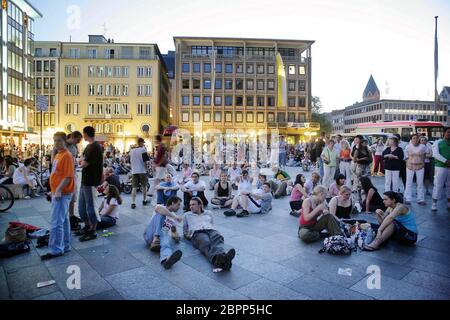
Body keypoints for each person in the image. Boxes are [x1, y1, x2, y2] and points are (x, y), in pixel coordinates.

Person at [41, 132, 75, 260]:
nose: (56, 143)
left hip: (62, 193)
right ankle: (65, 245)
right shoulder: (58, 155)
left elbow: (68, 176)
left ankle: (56, 249)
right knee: (64, 221)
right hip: (59, 192)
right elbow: (57, 174)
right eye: (55, 141)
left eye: (59, 141)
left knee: (56, 222)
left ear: (65, 141)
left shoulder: (66, 155)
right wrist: (54, 189)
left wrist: (59, 189)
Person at [183, 197, 236, 272]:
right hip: (197, 232)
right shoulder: (187, 215)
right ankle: (222, 259)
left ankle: (221, 260)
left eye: (193, 204)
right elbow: (185, 229)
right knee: (206, 242)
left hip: (211, 230)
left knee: (218, 237)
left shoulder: (209, 213)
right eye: (190, 205)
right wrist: (189, 236)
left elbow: (211, 223)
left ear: (200, 205)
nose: (191, 207)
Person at [76, 126, 104, 242]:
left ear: (86, 134)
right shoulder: (90, 146)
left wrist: (81, 161)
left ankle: (93, 230)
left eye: (83, 134)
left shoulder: (94, 147)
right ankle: (87, 226)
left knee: (91, 206)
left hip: (91, 180)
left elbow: (84, 163)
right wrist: (81, 160)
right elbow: (82, 160)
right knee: (81, 206)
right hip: (86, 180)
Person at [143, 196, 183, 269]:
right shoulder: (160, 207)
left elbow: (174, 232)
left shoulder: (173, 216)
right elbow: (161, 211)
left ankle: (166, 260)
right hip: (150, 234)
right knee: (162, 216)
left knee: (165, 237)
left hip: (160, 238)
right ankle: (156, 237)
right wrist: (175, 217)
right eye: (178, 204)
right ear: (173, 203)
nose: (179, 207)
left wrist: (176, 237)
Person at [404, 134, 427, 205]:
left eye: (416, 138)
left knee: (420, 183)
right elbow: (406, 157)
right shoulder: (408, 147)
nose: (415, 140)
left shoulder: (423, 147)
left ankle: (421, 199)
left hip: (420, 167)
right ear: (411, 139)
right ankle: (407, 198)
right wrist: (407, 164)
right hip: (410, 167)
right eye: (413, 138)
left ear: (418, 139)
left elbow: (424, 156)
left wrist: (423, 164)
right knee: (409, 182)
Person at [431, 127, 450, 211]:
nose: (449, 134)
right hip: (440, 167)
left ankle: (449, 204)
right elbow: (435, 154)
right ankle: (434, 204)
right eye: (448, 132)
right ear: (444, 133)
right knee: (438, 185)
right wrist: (445, 161)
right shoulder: (437, 142)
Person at [130, 138, 150, 209]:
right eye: (143, 143)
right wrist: (147, 169)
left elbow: (130, 161)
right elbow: (145, 161)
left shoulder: (131, 150)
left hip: (134, 171)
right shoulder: (143, 149)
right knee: (144, 186)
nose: (143, 144)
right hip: (142, 170)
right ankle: (144, 200)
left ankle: (133, 202)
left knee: (134, 187)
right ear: (141, 143)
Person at [153, 134, 168, 198]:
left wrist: (158, 163)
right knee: (161, 179)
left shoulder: (161, 146)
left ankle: (156, 192)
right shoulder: (160, 146)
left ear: (157, 140)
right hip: (160, 165)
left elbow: (164, 156)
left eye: (155, 139)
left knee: (158, 179)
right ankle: (163, 191)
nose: (154, 141)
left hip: (161, 165)